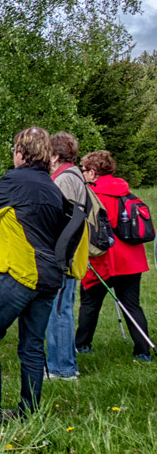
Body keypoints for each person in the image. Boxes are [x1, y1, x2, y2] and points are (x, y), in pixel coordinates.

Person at [0, 127, 74, 426]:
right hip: (50, 277)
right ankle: (29, 411)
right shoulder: (51, 186)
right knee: (32, 345)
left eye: (14, 150)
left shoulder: (15, 179)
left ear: (20, 152)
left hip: (19, 271)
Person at [76, 150, 153, 362]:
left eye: (83, 169)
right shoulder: (125, 190)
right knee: (132, 305)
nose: (81, 173)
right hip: (132, 260)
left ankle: (82, 346)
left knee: (90, 303)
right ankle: (143, 351)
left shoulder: (94, 195)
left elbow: (91, 231)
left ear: (92, 172)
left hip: (105, 260)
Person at [45, 132, 89, 380]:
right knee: (61, 309)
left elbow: (67, 223)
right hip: (66, 254)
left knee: (59, 311)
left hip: (63, 255)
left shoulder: (65, 179)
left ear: (56, 155)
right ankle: (60, 363)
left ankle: (63, 368)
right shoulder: (71, 176)